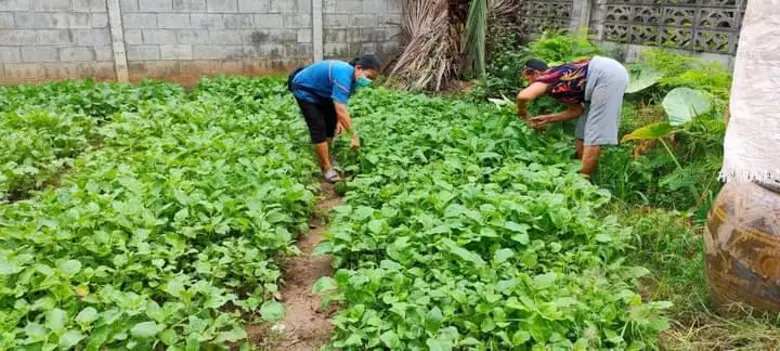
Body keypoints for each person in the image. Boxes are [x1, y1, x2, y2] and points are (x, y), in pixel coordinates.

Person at [516, 56, 629, 176]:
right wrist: (548, 119)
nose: (529, 84)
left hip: (606, 76)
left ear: (535, 73)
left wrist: (522, 111)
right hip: (601, 75)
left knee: (595, 134)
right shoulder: (559, 83)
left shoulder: (545, 79)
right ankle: (580, 169)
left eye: (528, 80)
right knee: (582, 131)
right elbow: (577, 111)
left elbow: (523, 96)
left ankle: (581, 182)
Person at [288, 54, 381, 183]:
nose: (369, 81)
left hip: (323, 92)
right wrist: (354, 136)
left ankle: (326, 156)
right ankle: (326, 167)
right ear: (359, 68)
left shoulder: (353, 80)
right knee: (318, 127)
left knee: (331, 124)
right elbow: (341, 109)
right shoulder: (343, 74)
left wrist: (338, 120)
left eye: (372, 79)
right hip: (305, 89)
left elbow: (340, 103)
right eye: (369, 77)